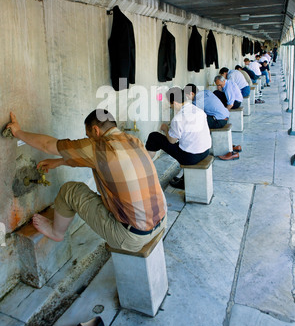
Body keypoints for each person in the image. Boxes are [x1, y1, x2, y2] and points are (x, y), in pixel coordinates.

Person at [6, 110, 167, 252]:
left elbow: (48, 145)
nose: (88, 139)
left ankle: (56, 233)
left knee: (70, 190)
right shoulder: (134, 141)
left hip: (131, 237)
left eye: (88, 136)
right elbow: (91, 160)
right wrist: (60, 162)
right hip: (160, 222)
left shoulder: (100, 147)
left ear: (95, 130)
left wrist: (18, 132)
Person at [145, 87, 211, 189]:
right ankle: (184, 180)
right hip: (205, 151)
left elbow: (171, 141)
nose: (170, 107)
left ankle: (144, 169)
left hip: (191, 158)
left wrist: (166, 129)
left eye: (170, 104)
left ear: (175, 102)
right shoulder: (197, 110)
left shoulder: (178, 118)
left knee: (154, 137)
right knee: (187, 143)